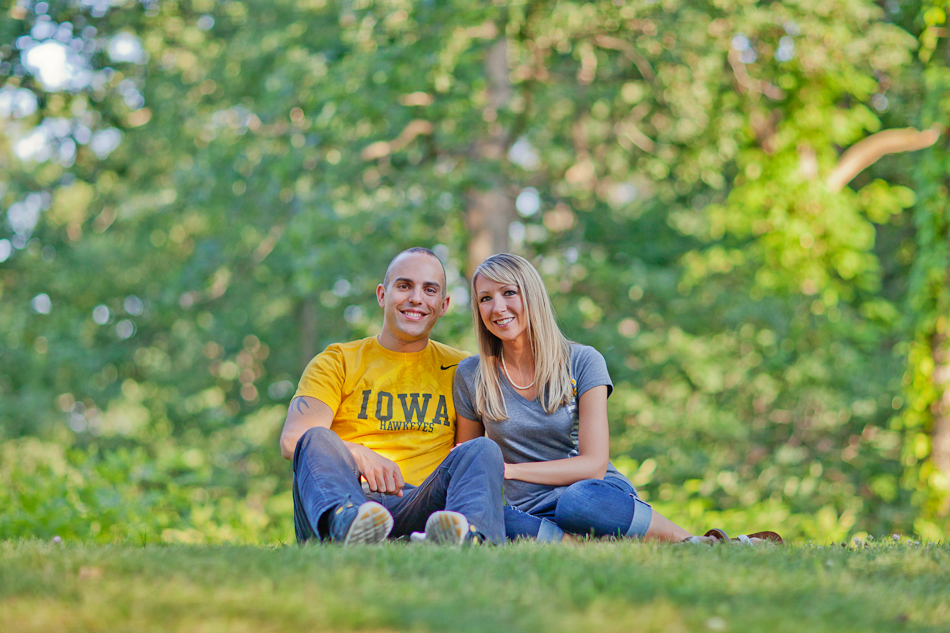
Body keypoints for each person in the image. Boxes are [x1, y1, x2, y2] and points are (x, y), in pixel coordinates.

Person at [453, 253, 782, 545]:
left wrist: (509, 471)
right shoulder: (471, 376)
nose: (497, 307)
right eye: (485, 298)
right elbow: (469, 463)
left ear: (533, 297)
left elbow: (593, 465)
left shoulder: (583, 361)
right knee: (495, 519)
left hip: (592, 497)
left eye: (509, 293)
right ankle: (590, 545)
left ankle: (697, 543)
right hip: (529, 513)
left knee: (577, 503)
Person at [280, 247, 505, 546]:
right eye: (404, 286)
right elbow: (292, 440)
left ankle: (468, 538)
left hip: (421, 503)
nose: (416, 298)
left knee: (483, 450)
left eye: (429, 289)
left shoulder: (463, 369)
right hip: (347, 497)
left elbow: (465, 455)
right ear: (382, 295)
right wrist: (358, 454)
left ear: (443, 304)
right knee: (316, 436)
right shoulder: (338, 361)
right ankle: (349, 528)